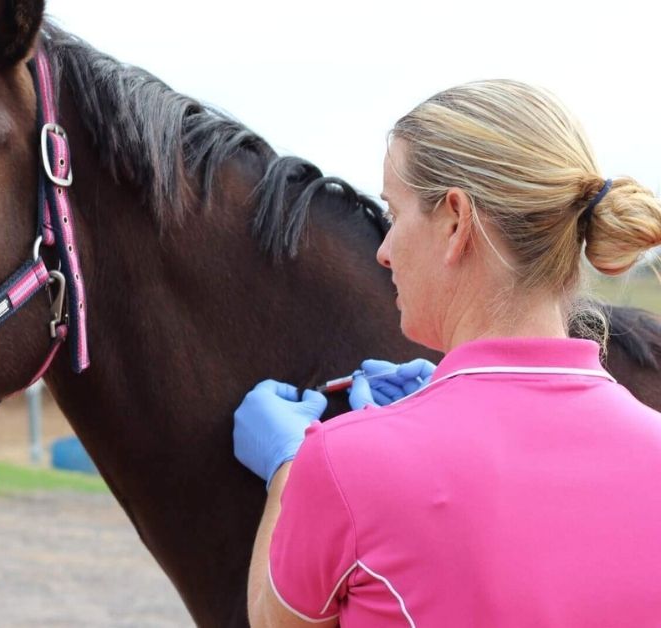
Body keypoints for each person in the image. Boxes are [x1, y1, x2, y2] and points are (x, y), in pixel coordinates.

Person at [232, 79, 661, 627]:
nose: (384, 253)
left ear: (456, 220)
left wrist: (289, 471)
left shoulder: (341, 465)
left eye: (393, 213)